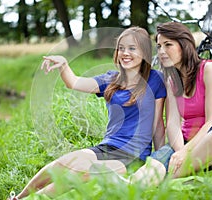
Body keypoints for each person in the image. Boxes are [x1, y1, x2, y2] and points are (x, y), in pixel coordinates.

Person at [9, 27, 167, 199]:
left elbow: (157, 123)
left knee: (81, 173)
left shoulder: (155, 79)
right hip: (109, 145)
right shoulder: (111, 79)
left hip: (134, 155)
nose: (125, 53)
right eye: (121, 48)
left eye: (132, 48)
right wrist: (63, 64)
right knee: (66, 162)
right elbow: (75, 82)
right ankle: (18, 197)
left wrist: (157, 161)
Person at [129, 22, 212, 186]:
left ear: (184, 45)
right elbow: (173, 123)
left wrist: (185, 152)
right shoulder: (172, 80)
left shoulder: (209, 70)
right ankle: (129, 185)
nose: (162, 51)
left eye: (168, 45)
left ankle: (169, 180)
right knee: (157, 162)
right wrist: (179, 152)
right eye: (159, 46)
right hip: (185, 142)